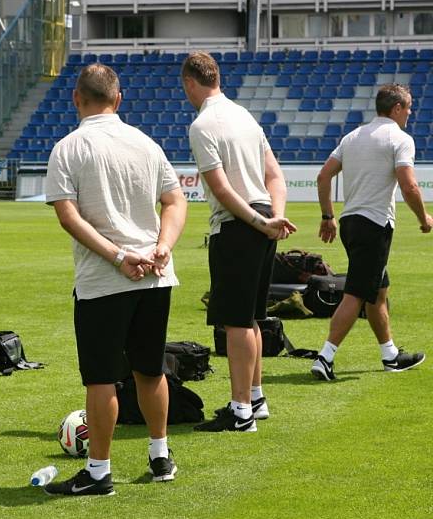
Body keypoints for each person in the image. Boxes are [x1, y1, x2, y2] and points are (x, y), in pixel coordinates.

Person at [43, 63, 188, 496]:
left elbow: (68, 216)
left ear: (76, 98)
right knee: (150, 370)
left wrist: (119, 255)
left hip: (104, 281)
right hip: (155, 278)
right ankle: (160, 455)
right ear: (119, 98)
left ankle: (100, 472)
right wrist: (163, 246)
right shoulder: (146, 143)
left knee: (101, 378)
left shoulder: (69, 148)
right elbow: (175, 200)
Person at [181, 51, 296, 433]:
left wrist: (261, 222)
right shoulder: (245, 116)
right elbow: (275, 176)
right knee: (251, 318)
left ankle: (241, 410)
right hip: (261, 217)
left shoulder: (202, 126)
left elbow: (222, 189)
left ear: (190, 83)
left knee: (235, 322)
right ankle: (255, 398)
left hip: (238, 224)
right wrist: (273, 218)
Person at [312, 83, 432, 381]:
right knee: (356, 292)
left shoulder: (352, 137)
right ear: (396, 108)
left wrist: (328, 215)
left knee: (377, 290)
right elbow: (409, 186)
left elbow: (324, 175)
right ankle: (325, 357)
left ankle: (390, 354)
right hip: (374, 224)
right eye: (408, 107)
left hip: (351, 223)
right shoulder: (400, 139)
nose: (410, 112)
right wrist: (424, 218)